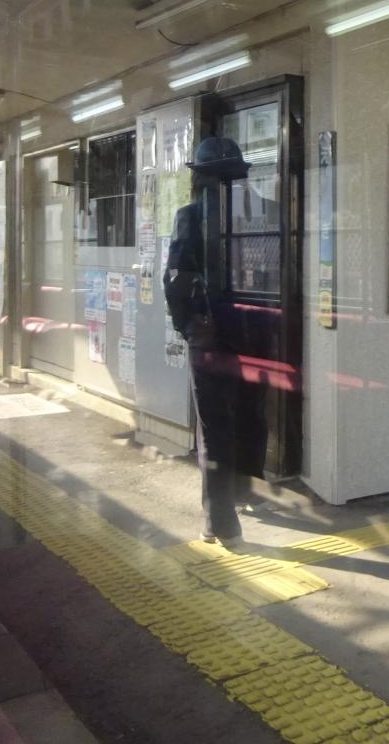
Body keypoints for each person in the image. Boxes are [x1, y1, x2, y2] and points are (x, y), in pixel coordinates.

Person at [164, 137, 265, 547]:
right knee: (251, 412)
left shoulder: (191, 216)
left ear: (200, 177)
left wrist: (184, 325)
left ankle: (221, 523)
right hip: (257, 332)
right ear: (241, 174)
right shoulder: (264, 211)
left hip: (209, 336)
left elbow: (176, 278)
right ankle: (246, 491)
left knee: (214, 425)